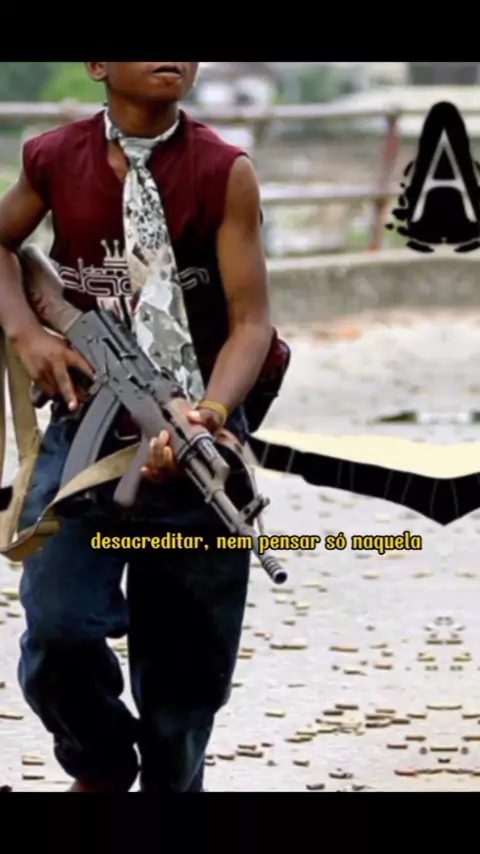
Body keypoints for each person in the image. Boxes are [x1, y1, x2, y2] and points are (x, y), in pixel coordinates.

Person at [0, 62, 289, 792]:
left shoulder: (224, 171)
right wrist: (28, 335)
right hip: (85, 436)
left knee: (185, 682)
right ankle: (100, 765)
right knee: (59, 628)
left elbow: (252, 324)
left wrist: (208, 417)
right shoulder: (53, 157)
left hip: (198, 435)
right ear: (97, 65)